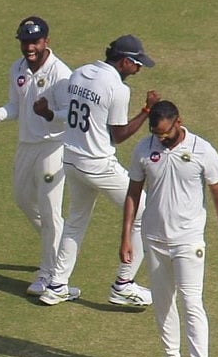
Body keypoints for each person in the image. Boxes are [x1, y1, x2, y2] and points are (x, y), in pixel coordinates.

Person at [120, 100, 218, 357]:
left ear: (178, 122)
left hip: (188, 241)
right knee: (162, 302)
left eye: (166, 133)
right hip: (154, 239)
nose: (160, 139)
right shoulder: (144, 149)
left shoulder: (203, 151)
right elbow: (133, 193)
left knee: (191, 302)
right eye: (156, 134)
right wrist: (126, 238)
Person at [40, 35, 160, 306]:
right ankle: (123, 284)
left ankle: (56, 286)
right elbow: (119, 134)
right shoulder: (118, 88)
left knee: (75, 223)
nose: (138, 69)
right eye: (137, 64)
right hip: (98, 165)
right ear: (125, 61)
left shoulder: (79, 72)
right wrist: (147, 110)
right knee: (146, 213)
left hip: (71, 160)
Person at [0, 16, 72, 297]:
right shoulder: (17, 68)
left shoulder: (61, 74)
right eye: (25, 41)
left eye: (34, 41)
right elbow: (14, 107)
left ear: (46, 41)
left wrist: (49, 114)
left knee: (50, 211)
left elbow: (70, 115)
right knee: (23, 199)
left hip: (53, 147)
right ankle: (62, 248)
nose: (29, 47)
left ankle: (49, 274)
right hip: (26, 145)